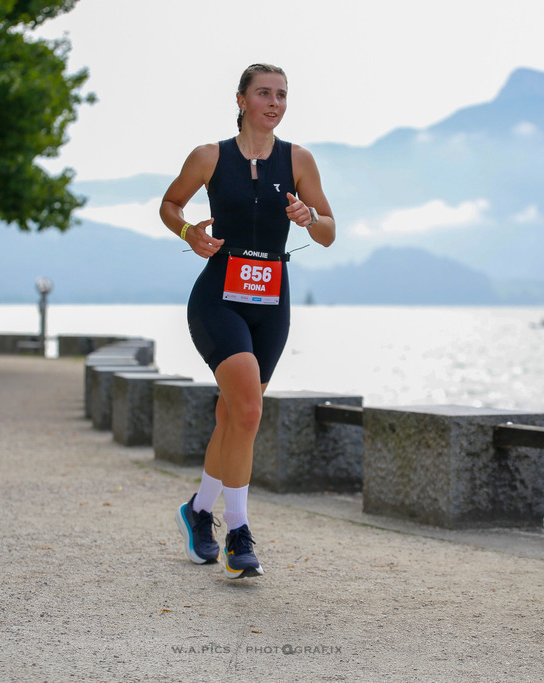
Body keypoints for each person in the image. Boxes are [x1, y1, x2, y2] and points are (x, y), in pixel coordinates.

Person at [160, 63, 335, 579]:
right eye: (264, 93)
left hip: (271, 301)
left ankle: (196, 512)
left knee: (231, 416)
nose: (274, 102)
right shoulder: (209, 156)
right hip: (218, 298)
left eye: (282, 94)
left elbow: (328, 231)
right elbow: (170, 204)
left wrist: (309, 218)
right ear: (241, 100)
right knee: (250, 410)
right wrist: (189, 230)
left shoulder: (298, 159)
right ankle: (237, 531)